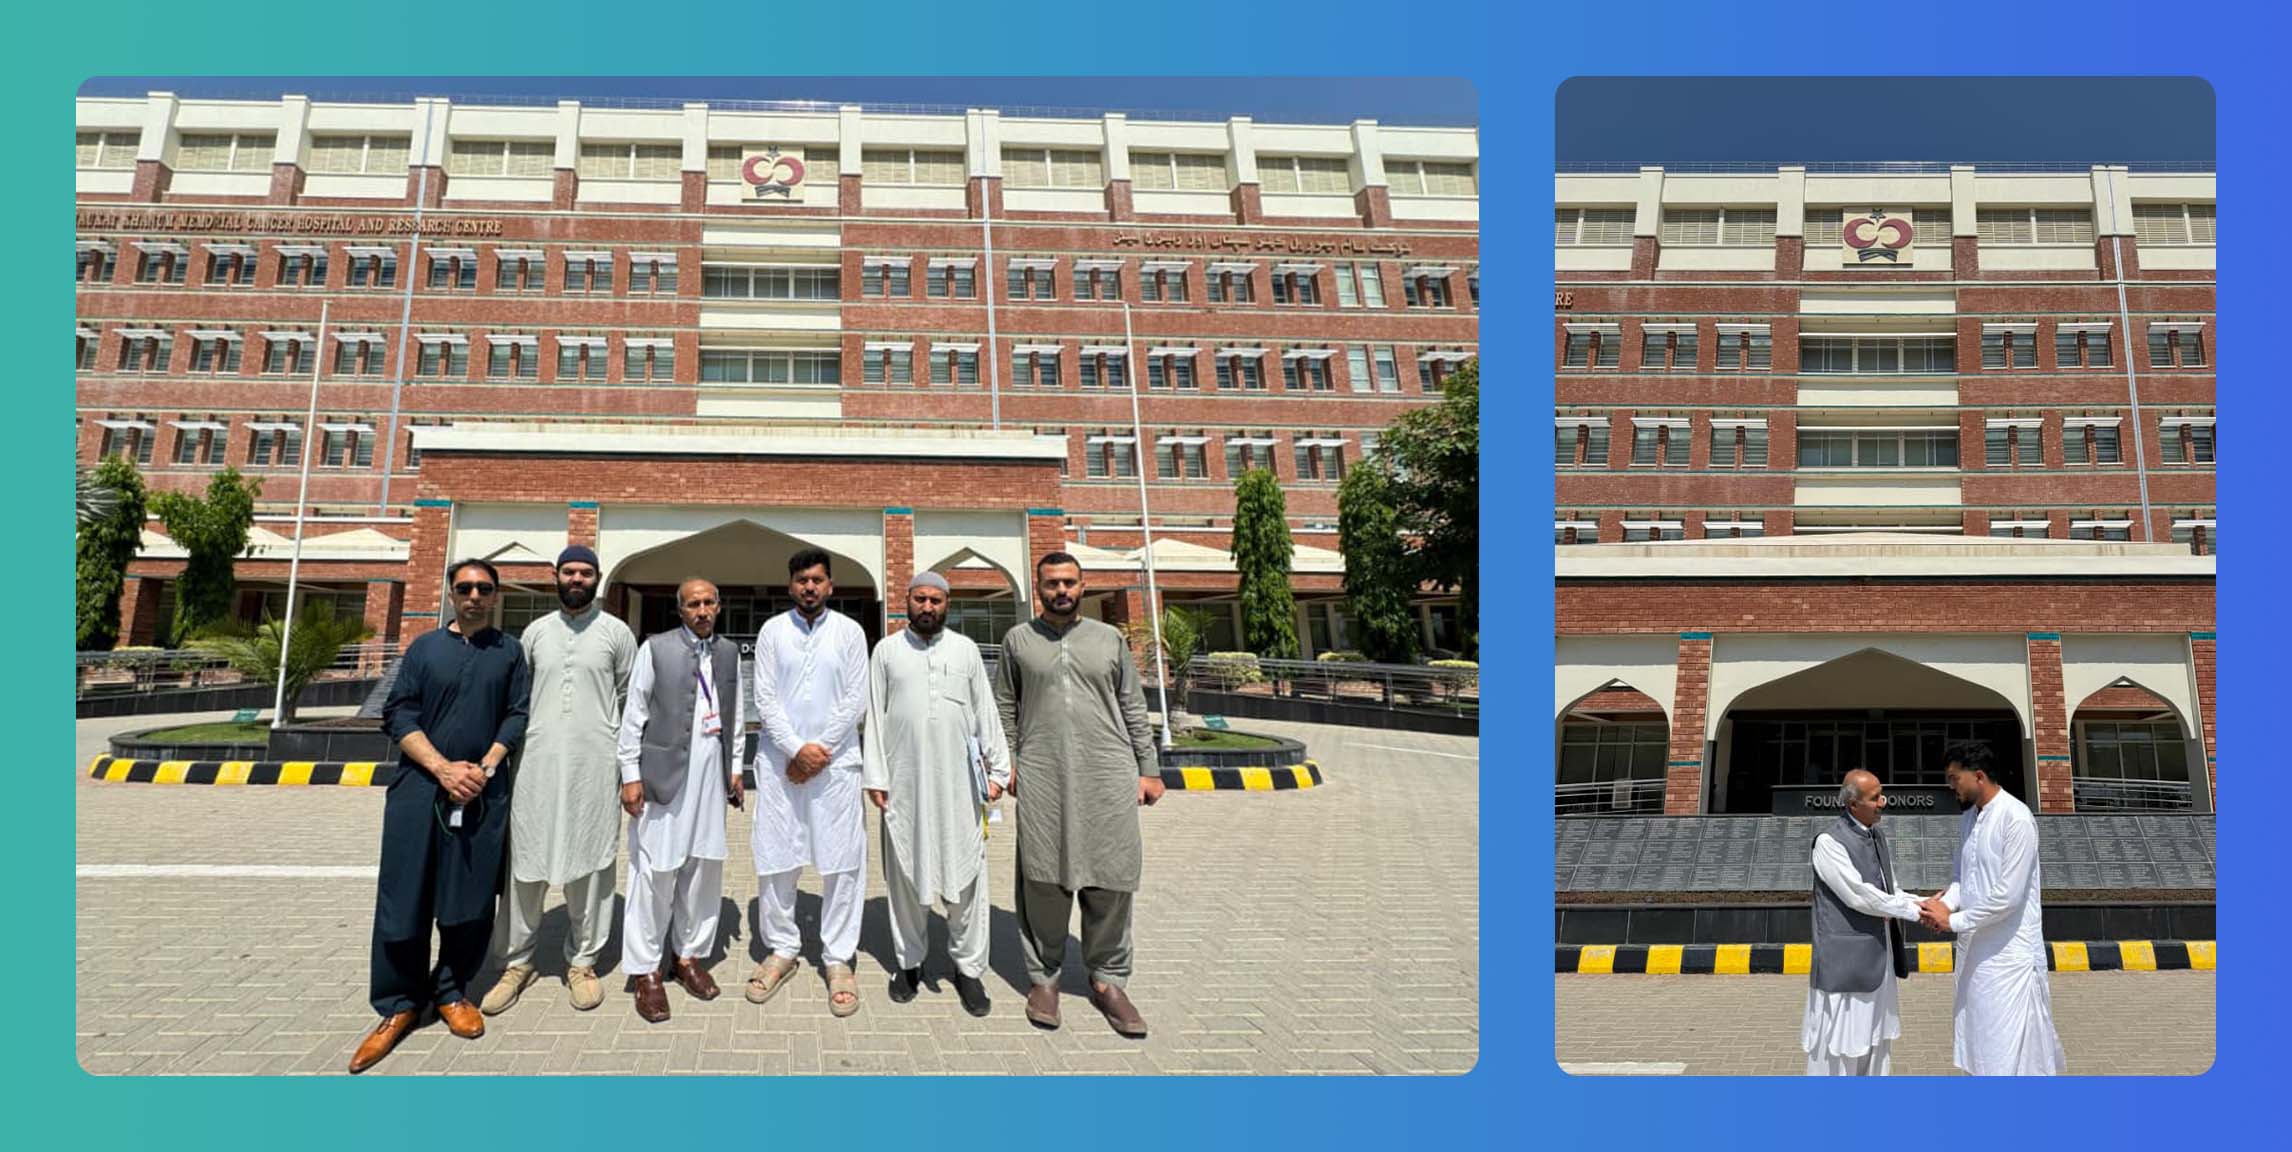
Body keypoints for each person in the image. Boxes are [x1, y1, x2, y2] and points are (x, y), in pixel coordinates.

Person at [350, 559, 531, 1073]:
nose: (474, 595)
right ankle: (399, 1005)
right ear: (452, 593)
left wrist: (486, 767)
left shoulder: (509, 652)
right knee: (404, 898)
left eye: (484, 588)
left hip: (480, 794)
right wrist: (441, 768)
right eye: (465, 587)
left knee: (469, 900)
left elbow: (518, 712)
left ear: (496, 596)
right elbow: (399, 712)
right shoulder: (424, 649)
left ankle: (452, 991)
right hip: (419, 791)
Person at [994, 552, 1162, 1038]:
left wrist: (1148, 768)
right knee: (1044, 877)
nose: (1061, 590)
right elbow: (1005, 705)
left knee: (1111, 878)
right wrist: (1009, 763)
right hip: (1043, 775)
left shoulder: (1108, 639)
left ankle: (1108, 980)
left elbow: (1132, 704)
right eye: (1052, 583)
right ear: (1038, 587)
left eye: (1069, 582)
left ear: (1082, 585)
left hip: (1108, 774)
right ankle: (1043, 978)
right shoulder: (1018, 641)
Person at [481, 545, 635, 1016]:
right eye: (569, 571)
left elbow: (630, 703)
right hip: (536, 764)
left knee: (590, 861)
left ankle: (583, 960)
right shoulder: (535, 633)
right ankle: (518, 962)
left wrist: (626, 768)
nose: (576, 579)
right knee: (525, 863)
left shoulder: (617, 633)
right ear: (555, 576)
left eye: (585, 573)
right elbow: (518, 699)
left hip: (594, 766)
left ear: (598, 579)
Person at [863, 572, 1010, 1017]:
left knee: (967, 880)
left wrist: (999, 769)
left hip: (960, 787)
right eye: (920, 598)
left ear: (948, 604)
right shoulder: (887, 650)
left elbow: (984, 709)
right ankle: (909, 964)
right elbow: (874, 711)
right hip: (904, 786)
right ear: (906, 601)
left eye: (936, 600)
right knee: (906, 877)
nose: (927, 607)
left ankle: (968, 969)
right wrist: (876, 776)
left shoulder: (964, 650)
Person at [746, 548, 871, 1016]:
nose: (810, 587)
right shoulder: (772, 631)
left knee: (842, 861)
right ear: (791, 585)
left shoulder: (850, 632)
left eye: (818, 579)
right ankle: (781, 948)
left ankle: (838, 957)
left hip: (836, 765)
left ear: (831, 585)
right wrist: (796, 749)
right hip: (781, 765)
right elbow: (764, 696)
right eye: (802, 579)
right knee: (777, 857)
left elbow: (855, 698)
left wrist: (817, 751)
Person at [615, 579, 744, 1023]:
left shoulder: (728, 653)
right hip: (663, 778)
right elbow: (634, 716)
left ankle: (688, 956)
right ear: (681, 609)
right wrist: (630, 776)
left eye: (709, 602)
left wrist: (735, 768)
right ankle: (646, 969)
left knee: (703, 870)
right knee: (655, 872)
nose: (702, 610)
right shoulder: (655, 648)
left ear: (719, 606)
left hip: (711, 781)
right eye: (694, 604)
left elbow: (736, 714)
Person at [1917, 741, 2068, 1075]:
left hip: (2009, 959)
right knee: (1980, 1046)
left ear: (1979, 776)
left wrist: (1952, 921)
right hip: (1976, 956)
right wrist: (1939, 906)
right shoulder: (1969, 819)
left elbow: (2007, 897)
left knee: (2010, 1053)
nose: (1950, 786)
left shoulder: (2016, 818)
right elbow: (1962, 879)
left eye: (1955, 778)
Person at [1804, 769, 1926, 1076]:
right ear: (1853, 803)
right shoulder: (1828, 843)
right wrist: (1914, 911)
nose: (1882, 803)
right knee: (1839, 1046)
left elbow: (1890, 891)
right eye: (1875, 798)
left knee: (1875, 1042)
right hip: (1845, 966)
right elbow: (1859, 896)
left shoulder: (1877, 836)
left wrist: (1922, 903)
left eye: (1881, 795)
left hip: (1878, 961)